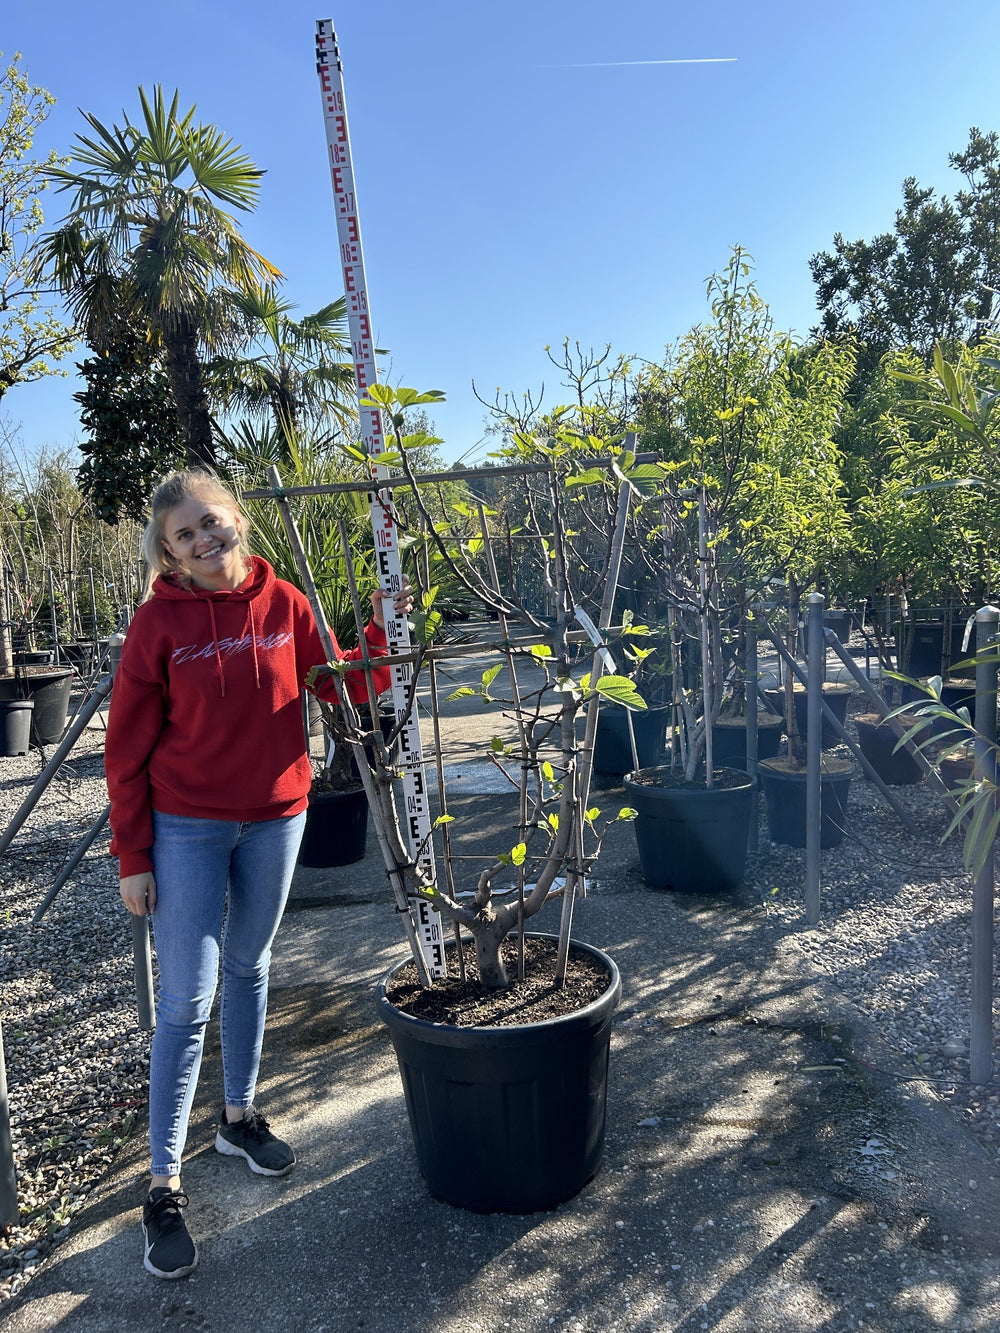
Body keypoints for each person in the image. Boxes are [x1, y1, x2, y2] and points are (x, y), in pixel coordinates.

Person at [105, 467, 412, 1280]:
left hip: (279, 814)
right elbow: (125, 748)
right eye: (186, 535)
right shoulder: (156, 627)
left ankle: (237, 1115)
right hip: (187, 825)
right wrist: (133, 854)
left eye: (213, 522)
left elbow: (348, 688)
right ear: (169, 553)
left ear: (238, 518)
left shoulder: (287, 606)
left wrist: (381, 633)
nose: (205, 540)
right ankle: (163, 1184)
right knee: (187, 995)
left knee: (251, 964)